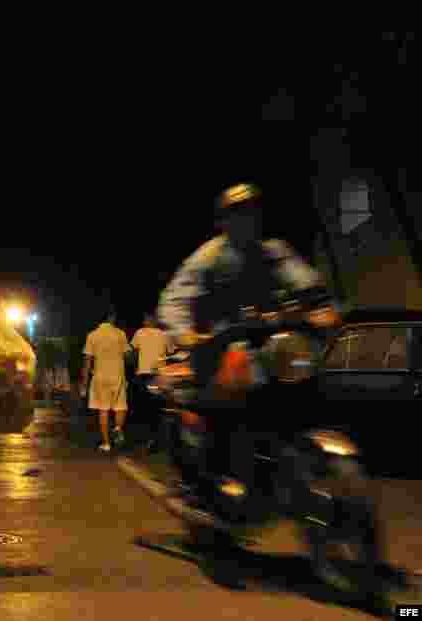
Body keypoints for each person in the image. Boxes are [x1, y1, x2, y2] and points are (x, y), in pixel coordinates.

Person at [156, 182, 340, 528]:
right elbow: (174, 299)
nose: (246, 219)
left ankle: (283, 461)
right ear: (223, 221)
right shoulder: (209, 256)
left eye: (251, 212)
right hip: (219, 343)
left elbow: (305, 282)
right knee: (230, 383)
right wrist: (186, 333)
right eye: (237, 213)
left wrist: (321, 308)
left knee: (301, 374)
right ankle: (219, 478)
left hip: (268, 343)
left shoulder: (274, 250)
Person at [80, 309, 132, 452]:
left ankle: (106, 444)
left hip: (100, 376)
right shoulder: (120, 334)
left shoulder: (92, 335)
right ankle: (117, 428)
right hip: (118, 375)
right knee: (120, 406)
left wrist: (84, 382)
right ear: (111, 318)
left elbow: (87, 360)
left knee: (103, 410)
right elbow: (128, 355)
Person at [130, 313, 174, 453]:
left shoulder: (139, 333)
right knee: (157, 407)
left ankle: (147, 438)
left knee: (144, 407)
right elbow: (171, 351)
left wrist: (134, 367)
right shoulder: (164, 334)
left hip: (143, 374)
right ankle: (156, 439)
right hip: (158, 375)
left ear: (146, 320)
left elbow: (133, 352)